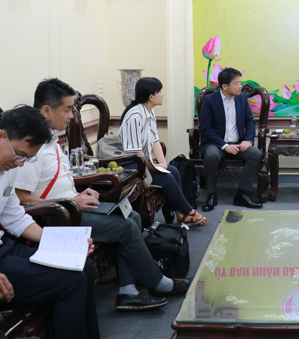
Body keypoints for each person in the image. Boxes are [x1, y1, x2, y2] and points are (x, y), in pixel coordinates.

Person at [14, 78, 189, 312]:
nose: (71, 116)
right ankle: (158, 283)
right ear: (46, 111)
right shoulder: (32, 147)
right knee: (126, 227)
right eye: (67, 109)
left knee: (133, 217)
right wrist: (71, 200)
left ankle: (127, 290)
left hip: (72, 205)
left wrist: (78, 192)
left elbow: (55, 180)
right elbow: (20, 199)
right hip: (56, 216)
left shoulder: (50, 140)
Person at [0, 106, 100, 339]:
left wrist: (63, 242)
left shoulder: (7, 167)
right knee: (71, 282)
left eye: (28, 158)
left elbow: (15, 217)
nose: (21, 164)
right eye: (20, 155)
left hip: (0, 250)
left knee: (84, 264)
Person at [120, 77, 207, 225]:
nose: (162, 94)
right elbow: (134, 153)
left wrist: (162, 163)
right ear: (151, 96)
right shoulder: (135, 116)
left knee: (173, 170)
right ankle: (189, 211)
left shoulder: (149, 112)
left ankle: (180, 214)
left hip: (142, 163)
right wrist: (154, 167)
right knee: (168, 178)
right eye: (159, 91)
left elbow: (155, 141)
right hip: (131, 166)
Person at [199, 67, 263, 211]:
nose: (240, 86)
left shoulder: (241, 98)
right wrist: (224, 145)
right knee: (211, 155)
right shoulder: (209, 100)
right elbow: (205, 128)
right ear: (225, 86)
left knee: (255, 154)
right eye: (236, 83)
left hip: (238, 142)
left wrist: (248, 140)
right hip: (216, 144)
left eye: (240, 83)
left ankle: (242, 194)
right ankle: (212, 194)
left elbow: (250, 121)